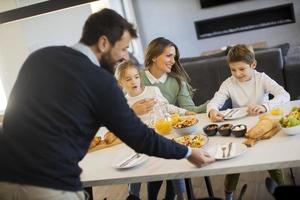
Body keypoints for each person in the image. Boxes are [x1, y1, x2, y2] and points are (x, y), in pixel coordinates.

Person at [0, 9, 215, 200]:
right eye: (123, 49)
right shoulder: (101, 81)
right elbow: (141, 138)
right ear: (104, 43)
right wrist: (188, 152)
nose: (124, 57)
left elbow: (14, 114)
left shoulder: (40, 57)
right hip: (48, 184)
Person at [206, 44, 290, 200]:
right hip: (240, 127)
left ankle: (282, 190)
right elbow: (215, 100)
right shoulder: (229, 83)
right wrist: (212, 111)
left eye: (242, 69)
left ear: (253, 65)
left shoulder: (261, 78)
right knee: (233, 161)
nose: (237, 74)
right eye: (233, 70)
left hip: (263, 125)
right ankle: (229, 195)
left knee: (272, 161)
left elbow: (284, 95)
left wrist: (265, 106)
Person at [130, 37, 209, 200]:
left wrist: (215, 102)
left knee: (169, 162)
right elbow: (120, 104)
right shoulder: (136, 78)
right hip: (141, 133)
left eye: (174, 57)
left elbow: (189, 111)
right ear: (154, 56)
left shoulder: (177, 81)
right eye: (169, 56)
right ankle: (133, 195)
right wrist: (132, 110)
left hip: (168, 133)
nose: (173, 61)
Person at [115, 60, 195, 200]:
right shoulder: (121, 102)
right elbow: (119, 123)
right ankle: (133, 196)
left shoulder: (153, 91)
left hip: (160, 136)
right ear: (120, 83)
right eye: (128, 79)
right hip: (138, 143)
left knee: (173, 164)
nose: (134, 81)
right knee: (135, 170)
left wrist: (184, 112)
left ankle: (178, 196)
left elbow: (167, 107)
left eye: (136, 77)